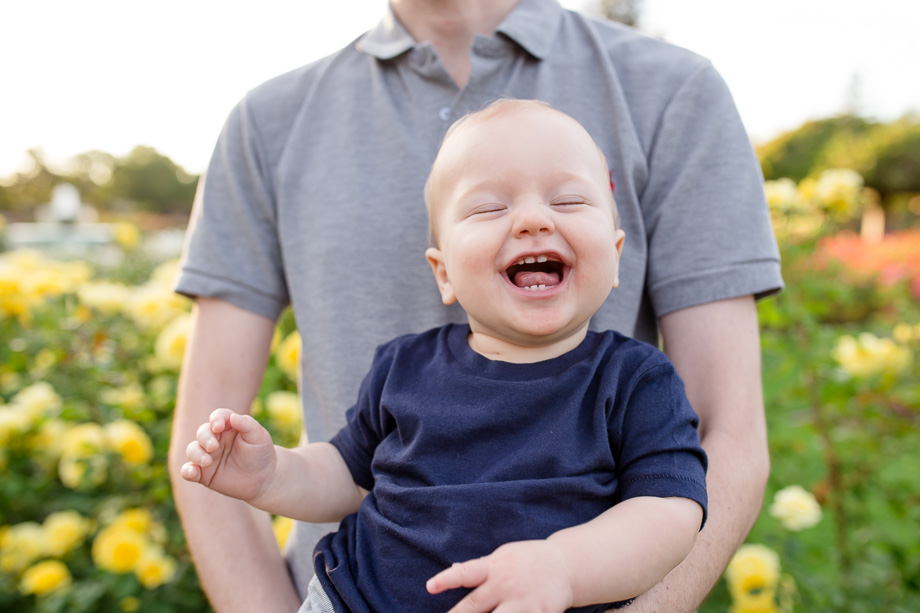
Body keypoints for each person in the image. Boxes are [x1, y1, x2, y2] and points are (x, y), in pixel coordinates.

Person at [169, 0, 783, 611]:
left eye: (569, 202)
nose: (533, 220)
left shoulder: (632, 381)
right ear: (442, 272)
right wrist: (272, 474)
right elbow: (340, 470)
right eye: (490, 208)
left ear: (617, 255)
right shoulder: (401, 366)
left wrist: (566, 568)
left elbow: (698, 473)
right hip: (350, 597)